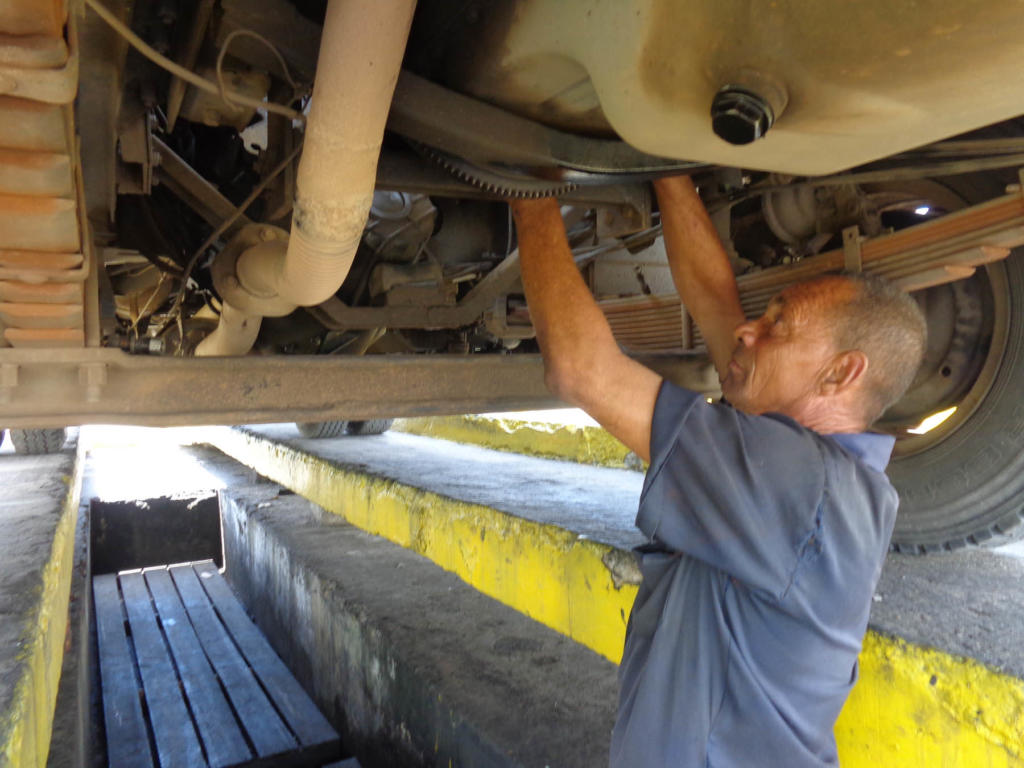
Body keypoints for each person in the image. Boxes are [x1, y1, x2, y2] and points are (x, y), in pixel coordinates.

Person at [508, 175, 927, 768]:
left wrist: (526, 187)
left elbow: (581, 370)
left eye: (777, 325)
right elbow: (713, 297)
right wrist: (668, 168)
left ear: (840, 374)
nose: (745, 330)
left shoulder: (797, 482)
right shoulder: (828, 483)